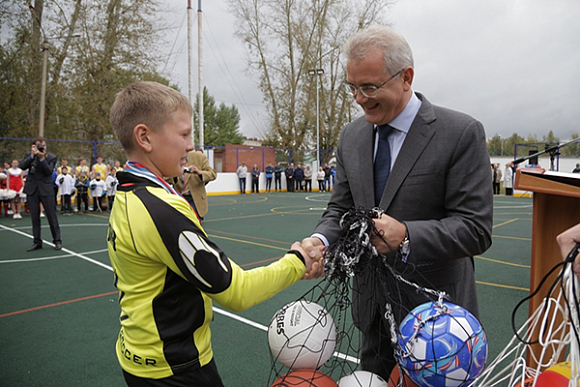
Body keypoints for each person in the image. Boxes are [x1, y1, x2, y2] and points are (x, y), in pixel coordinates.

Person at [300, 25, 493, 380]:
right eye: (352, 87)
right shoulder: (352, 135)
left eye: (370, 87)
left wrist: (406, 234)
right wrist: (320, 241)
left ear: (406, 78)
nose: (360, 98)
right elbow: (340, 209)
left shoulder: (460, 133)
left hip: (438, 329)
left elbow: (475, 229)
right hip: (373, 313)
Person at [107, 81, 323, 387]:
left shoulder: (128, 192)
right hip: (175, 370)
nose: (191, 145)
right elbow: (237, 291)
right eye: (183, 134)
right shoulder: (160, 210)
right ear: (144, 137)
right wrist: (298, 261)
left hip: (141, 359)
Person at [19, 137, 62, 251]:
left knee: (51, 215)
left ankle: (57, 240)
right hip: (32, 188)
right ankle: (37, 241)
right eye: (38, 145)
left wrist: (42, 158)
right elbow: (22, 166)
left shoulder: (51, 157)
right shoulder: (29, 155)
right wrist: (32, 156)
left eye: (43, 145)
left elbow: (48, 171)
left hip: (46, 188)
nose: (41, 147)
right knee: (34, 217)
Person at [183, 148, 217, 220]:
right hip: (180, 198)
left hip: (195, 198)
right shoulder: (172, 158)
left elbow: (213, 174)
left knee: (194, 224)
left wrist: (199, 172)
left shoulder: (200, 158)